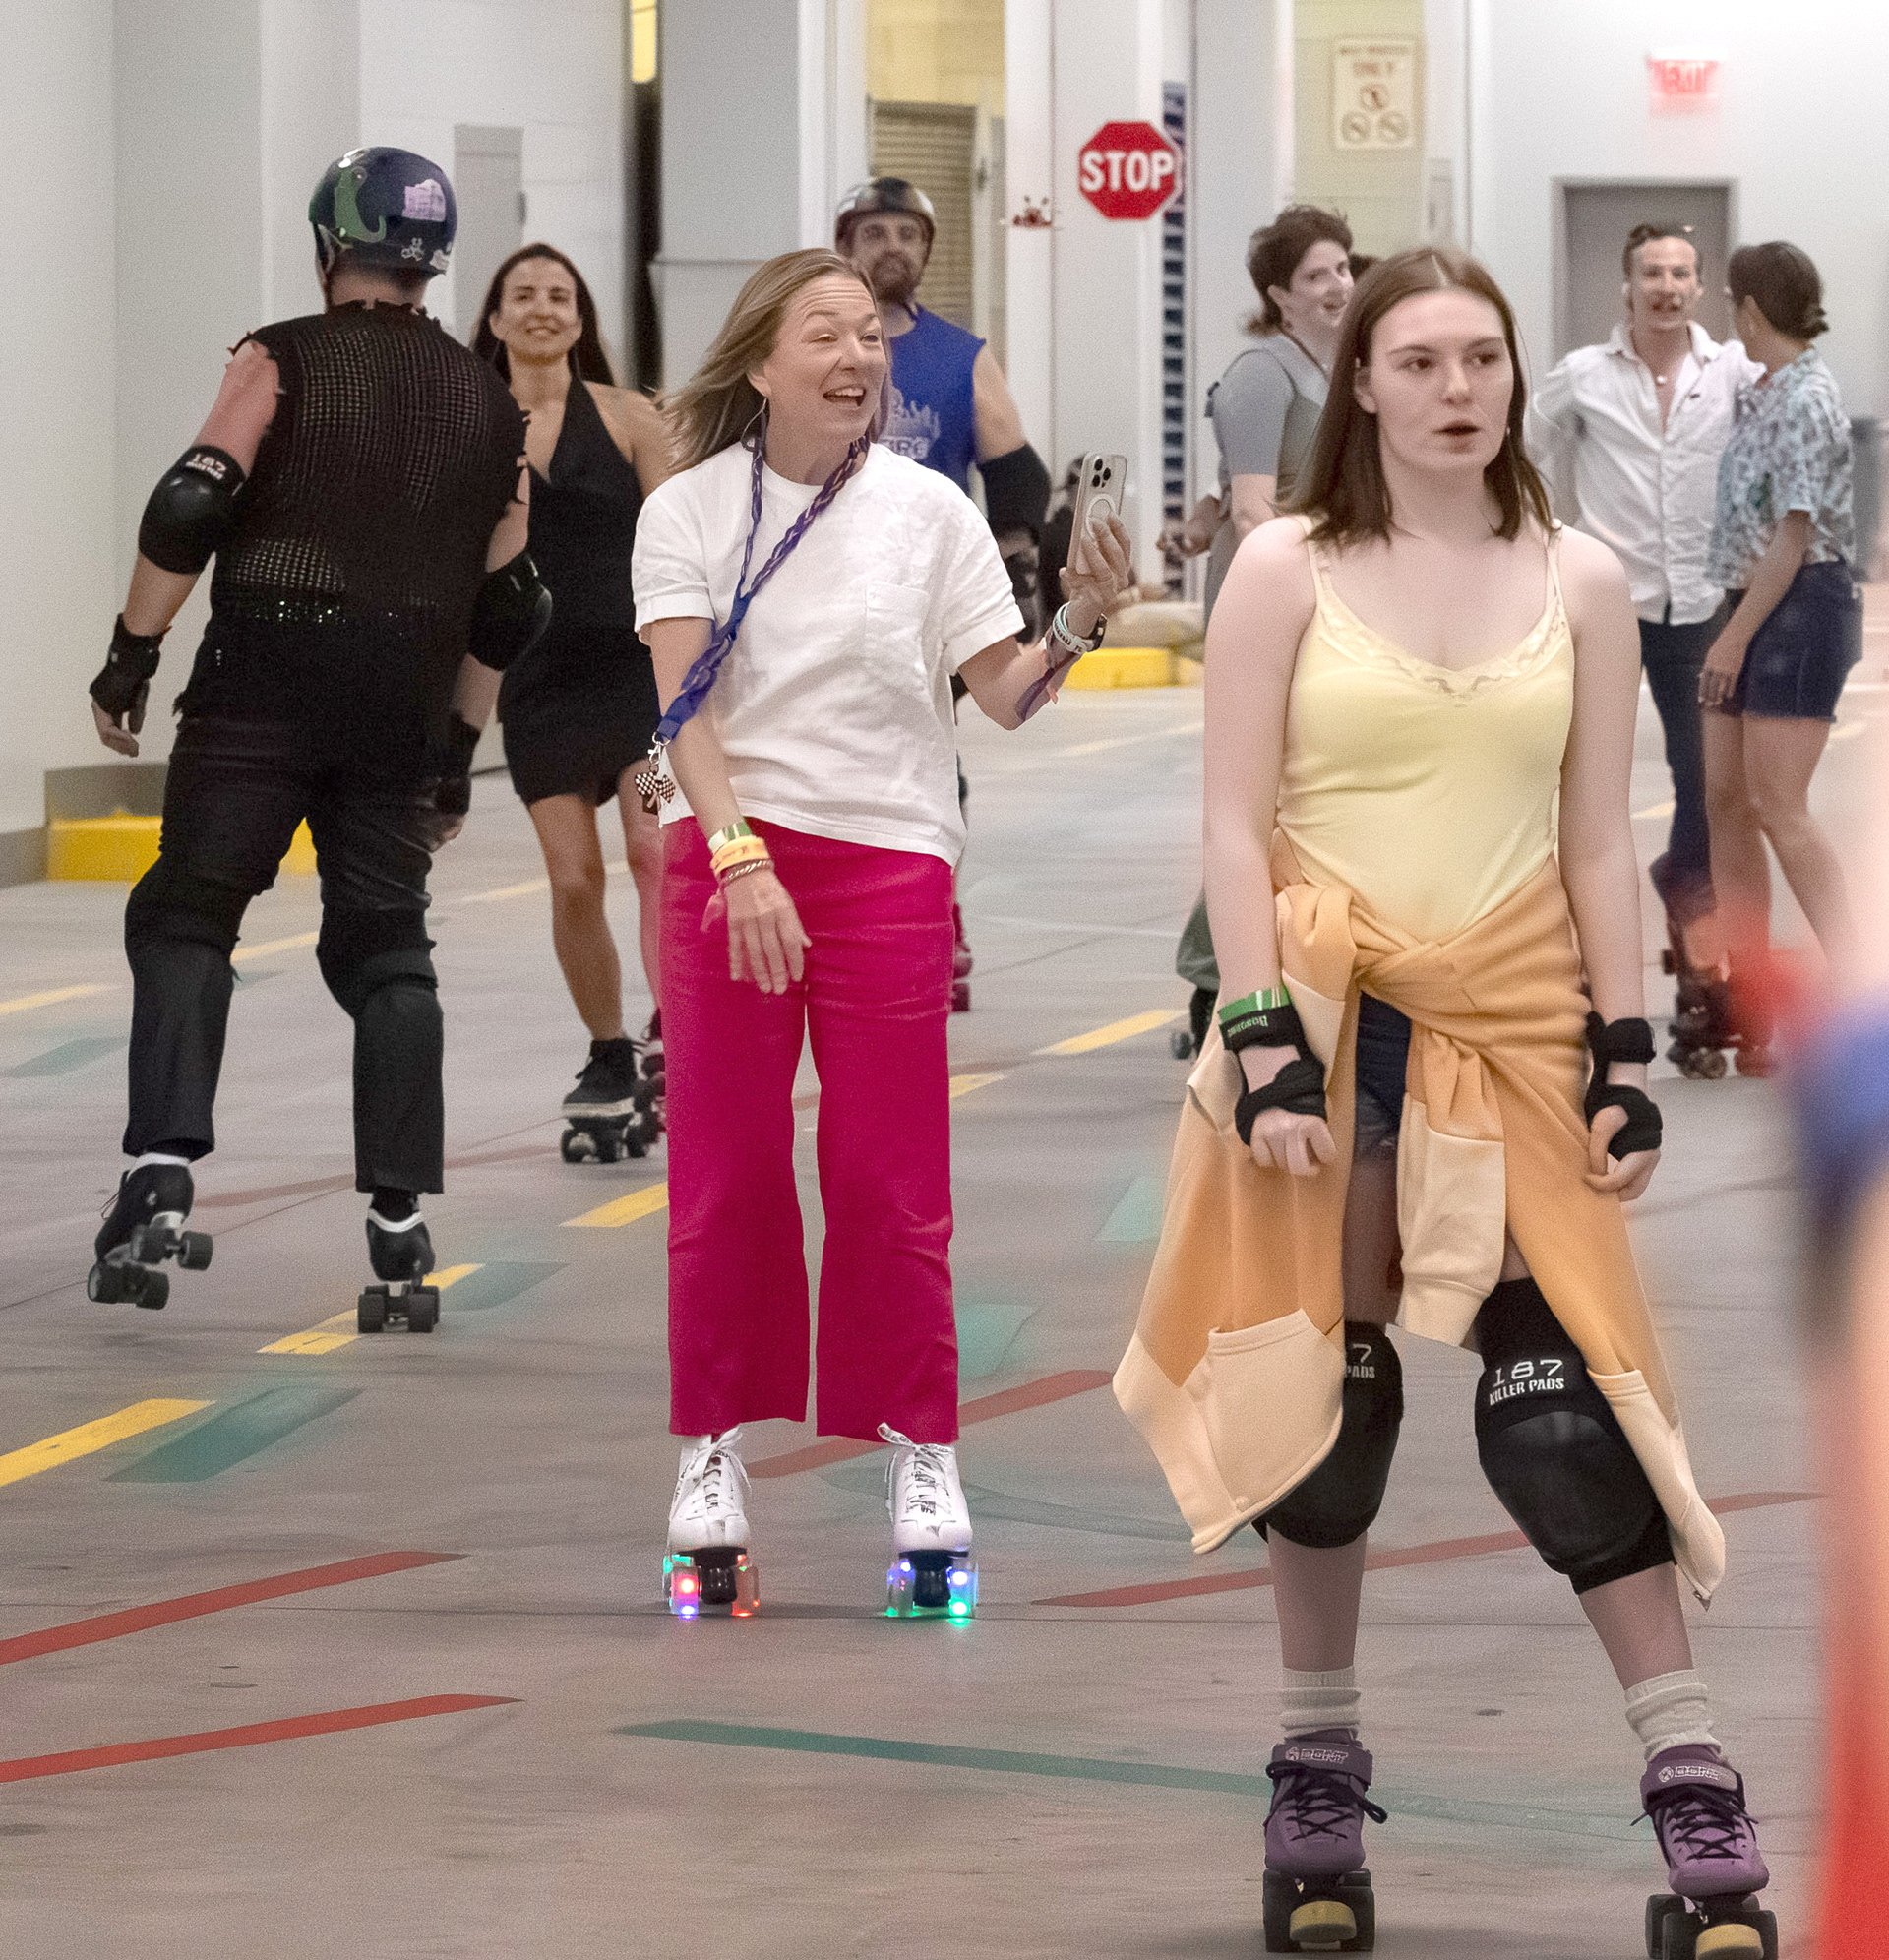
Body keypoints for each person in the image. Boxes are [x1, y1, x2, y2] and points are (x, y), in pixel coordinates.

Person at [1115, 248, 1773, 1954]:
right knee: (1325, 1426)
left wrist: (1628, 1047)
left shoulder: (1585, 576)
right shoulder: (1282, 570)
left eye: (1480, 356)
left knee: (1563, 1414)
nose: (1456, 387)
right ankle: (1315, 1763)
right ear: (1368, 387)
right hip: (1332, 1028)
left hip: (1519, 1020)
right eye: (1419, 361)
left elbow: (1593, 839)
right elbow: (1234, 829)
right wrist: (1257, 1035)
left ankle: (1690, 1774)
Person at [632, 249, 1129, 1615]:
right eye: (825, 336)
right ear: (759, 363)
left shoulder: (931, 515)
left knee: (888, 1175)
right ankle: (713, 1452)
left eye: (870, 338)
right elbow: (687, 714)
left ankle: (921, 1451)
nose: (858, 359)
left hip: (891, 863)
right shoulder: (685, 510)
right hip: (729, 857)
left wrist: (1080, 617)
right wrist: (739, 862)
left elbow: (1006, 696)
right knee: (726, 1168)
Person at [85, 148, 541, 1319]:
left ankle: (161, 1175)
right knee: (386, 945)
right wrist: (454, 755)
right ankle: (399, 1222)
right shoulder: (493, 406)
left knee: (190, 910)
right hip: (398, 702)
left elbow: (193, 500)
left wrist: (132, 654)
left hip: (261, 684)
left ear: (330, 241)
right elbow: (511, 602)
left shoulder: (277, 357)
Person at [1529, 223, 1760, 1072]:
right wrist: (1543, 536)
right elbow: (1522, 450)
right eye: (1651, 273)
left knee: (1707, 788)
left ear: (1699, 287)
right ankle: (1569, 978)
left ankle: (1693, 925)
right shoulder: (1583, 377)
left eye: (1680, 273)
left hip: (1698, 604)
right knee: (1579, 783)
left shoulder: (1731, 371)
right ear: (1625, 287)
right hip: (1605, 608)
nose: (1666, 286)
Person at [474, 243, 674, 1155]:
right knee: (571, 878)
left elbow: (683, 545)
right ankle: (606, 1050)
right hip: (540, 685)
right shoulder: (471, 422)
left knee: (657, 851)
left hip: (640, 684)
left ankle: (678, 1032)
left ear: (582, 319)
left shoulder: (632, 416)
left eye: (560, 295)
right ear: (495, 318)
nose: (543, 309)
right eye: (525, 296)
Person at [835, 177, 1054, 1009]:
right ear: (846, 244)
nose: (892, 247)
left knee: (926, 760)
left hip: (924, 596)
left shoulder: (960, 354)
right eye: (875, 232)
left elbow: (1015, 472)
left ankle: (930, 911)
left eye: (908, 234)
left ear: (926, 252)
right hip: (818, 580)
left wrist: (1020, 570)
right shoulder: (810, 342)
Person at [1166, 206, 1355, 1057]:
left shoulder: (1344, 363)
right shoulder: (1262, 373)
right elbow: (1252, 504)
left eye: (1343, 268)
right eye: (1317, 276)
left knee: (1306, 794)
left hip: (1330, 586)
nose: (1338, 285)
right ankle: (1216, 978)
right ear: (1280, 295)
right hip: (1270, 594)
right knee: (1258, 797)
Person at [1699, 241, 1859, 1066]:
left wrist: (1732, 635)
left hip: (1798, 605)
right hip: (1749, 599)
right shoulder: (1761, 390)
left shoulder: (1806, 398)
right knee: (1726, 800)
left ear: (1751, 309)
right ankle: (1752, 996)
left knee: (1779, 806)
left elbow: (1794, 534)